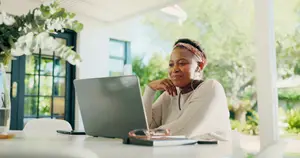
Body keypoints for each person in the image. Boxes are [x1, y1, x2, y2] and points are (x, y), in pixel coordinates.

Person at [142, 38, 231, 140]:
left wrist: (141, 134)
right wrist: (149, 90)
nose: (174, 69)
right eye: (171, 64)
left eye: (182, 63)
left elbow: (181, 131)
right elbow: (144, 126)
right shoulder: (169, 95)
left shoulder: (211, 88)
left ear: (199, 66)